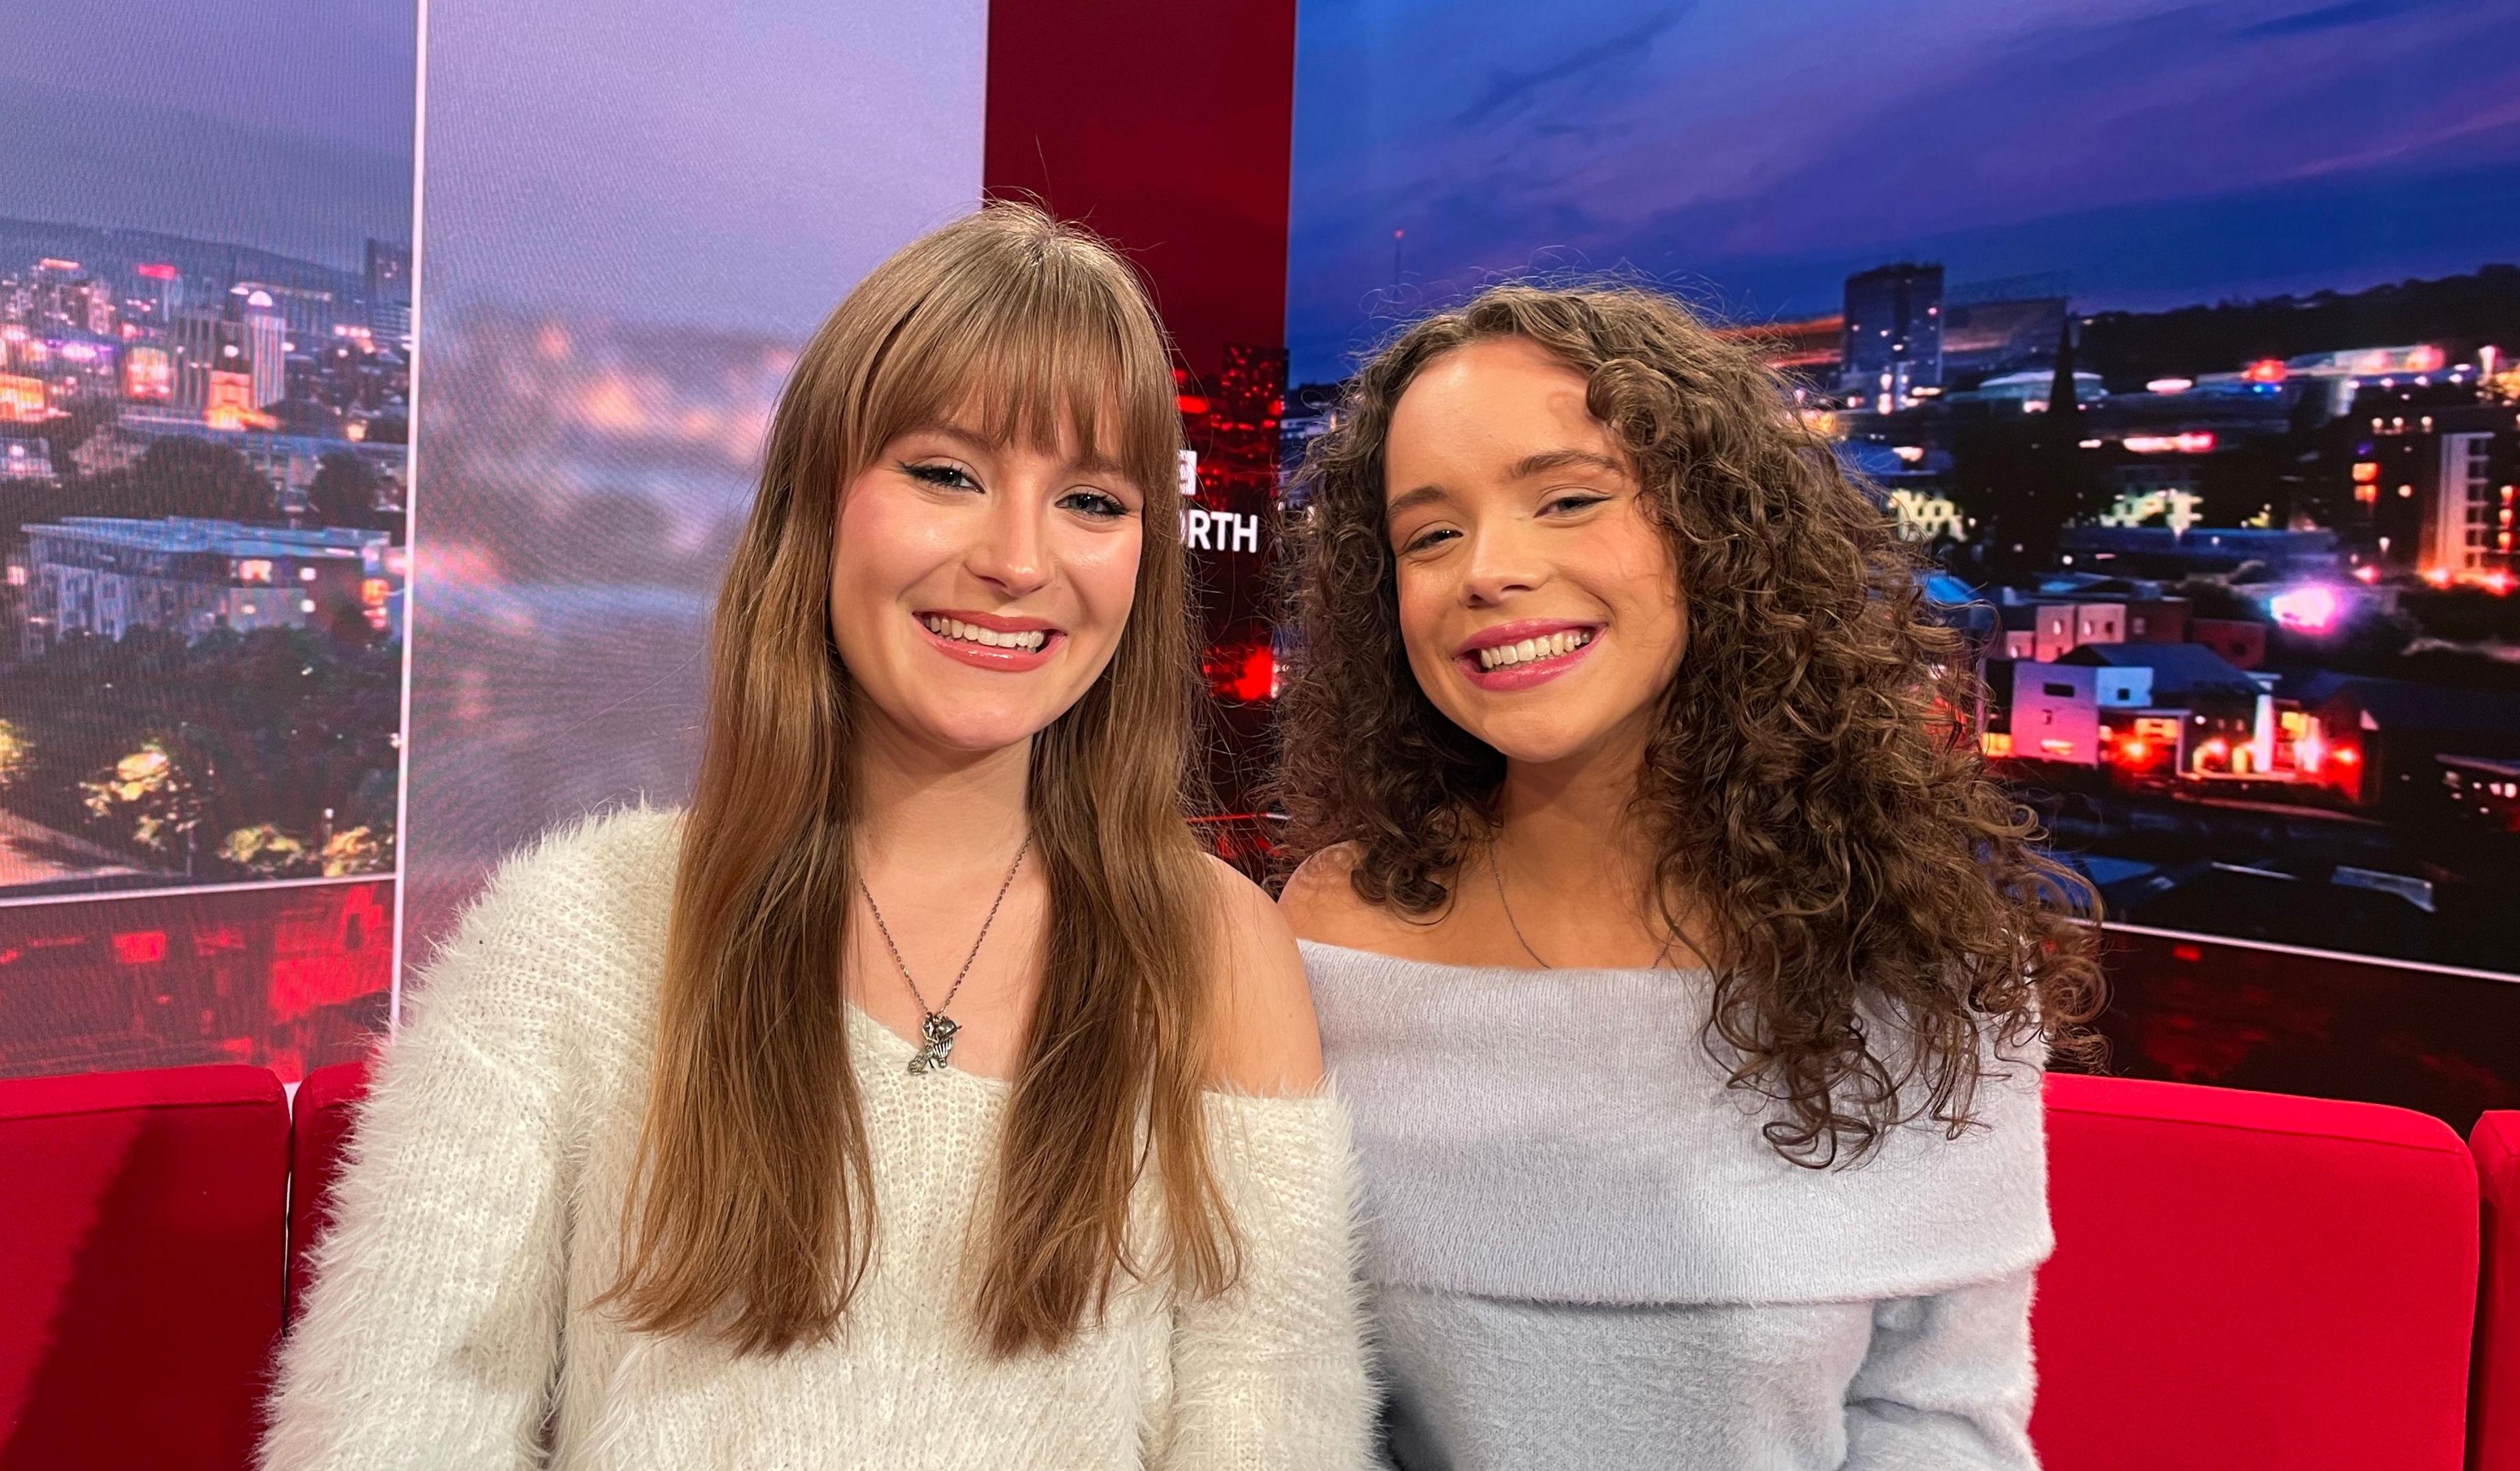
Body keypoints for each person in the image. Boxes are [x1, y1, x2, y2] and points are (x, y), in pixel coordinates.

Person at [264, 204, 1372, 1470]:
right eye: (946, 473)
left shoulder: (1215, 945)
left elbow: (1272, 1422)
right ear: (817, 507)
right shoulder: (577, 931)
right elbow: (392, 1425)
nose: (1018, 559)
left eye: (1091, 499)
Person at [1276, 283, 2103, 1470]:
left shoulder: (1922, 966)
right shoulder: (1330, 936)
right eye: (1430, 535)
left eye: (1567, 500)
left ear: (1718, 533)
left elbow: (1938, 1425)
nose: (1488, 571)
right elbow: (1280, 1389)